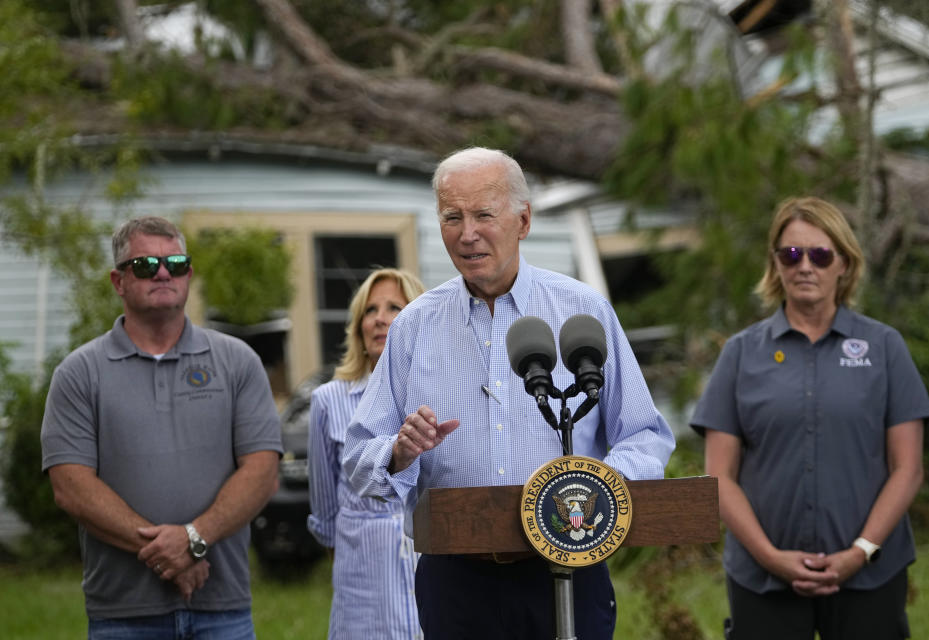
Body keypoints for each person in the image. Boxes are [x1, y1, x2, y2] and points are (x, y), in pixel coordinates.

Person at [343, 147, 675, 640]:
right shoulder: (414, 327)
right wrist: (397, 451)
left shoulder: (583, 311)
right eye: (452, 217)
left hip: (571, 562)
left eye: (483, 215)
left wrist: (590, 486)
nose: (467, 233)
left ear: (523, 221)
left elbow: (645, 437)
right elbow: (356, 459)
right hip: (457, 579)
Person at [691, 197, 929, 640]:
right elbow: (719, 475)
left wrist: (859, 553)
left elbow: (908, 467)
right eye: (791, 254)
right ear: (776, 265)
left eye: (820, 254)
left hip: (869, 577)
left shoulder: (884, 348)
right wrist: (770, 556)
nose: (806, 266)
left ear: (844, 263)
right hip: (763, 580)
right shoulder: (740, 354)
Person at [40, 216, 283, 639]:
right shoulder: (79, 373)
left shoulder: (237, 362)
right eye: (147, 265)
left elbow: (261, 472)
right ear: (118, 281)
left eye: (177, 262)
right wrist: (168, 554)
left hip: (221, 609)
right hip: (122, 614)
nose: (165, 272)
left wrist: (193, 539)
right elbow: (71, 485)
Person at [307, 267, 426, 640]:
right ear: (358, 327)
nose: (380, 318)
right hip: (364, 577)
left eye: (394, 307)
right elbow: (325, 508)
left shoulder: (439, 398)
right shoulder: (328, 401)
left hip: (431, 564)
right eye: (370, 310)